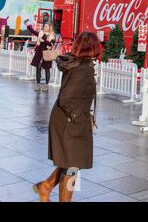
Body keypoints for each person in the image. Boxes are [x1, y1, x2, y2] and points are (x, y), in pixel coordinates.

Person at [32, 32, 101, 202]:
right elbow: (67, 98)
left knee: (70, 163)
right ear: (92, 47)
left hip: (65, 119)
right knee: (72, 167)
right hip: (70, 122)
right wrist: (78, 117)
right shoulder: (82, 68)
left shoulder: (76, 63)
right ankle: (53, 193)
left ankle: (45, 187)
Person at [25, 20, 56, 92]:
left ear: (49, 28)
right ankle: (38, 85)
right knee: (38, 68)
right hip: (39, 52)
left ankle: (46, 85)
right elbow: (33, 31)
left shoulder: (52, 35)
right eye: (44, 26)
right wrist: (28, 25)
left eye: (46, 26)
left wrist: (44, 39)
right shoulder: (40, 33)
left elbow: (51, 44)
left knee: (47, 69)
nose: (44, 27)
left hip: (47, 52)